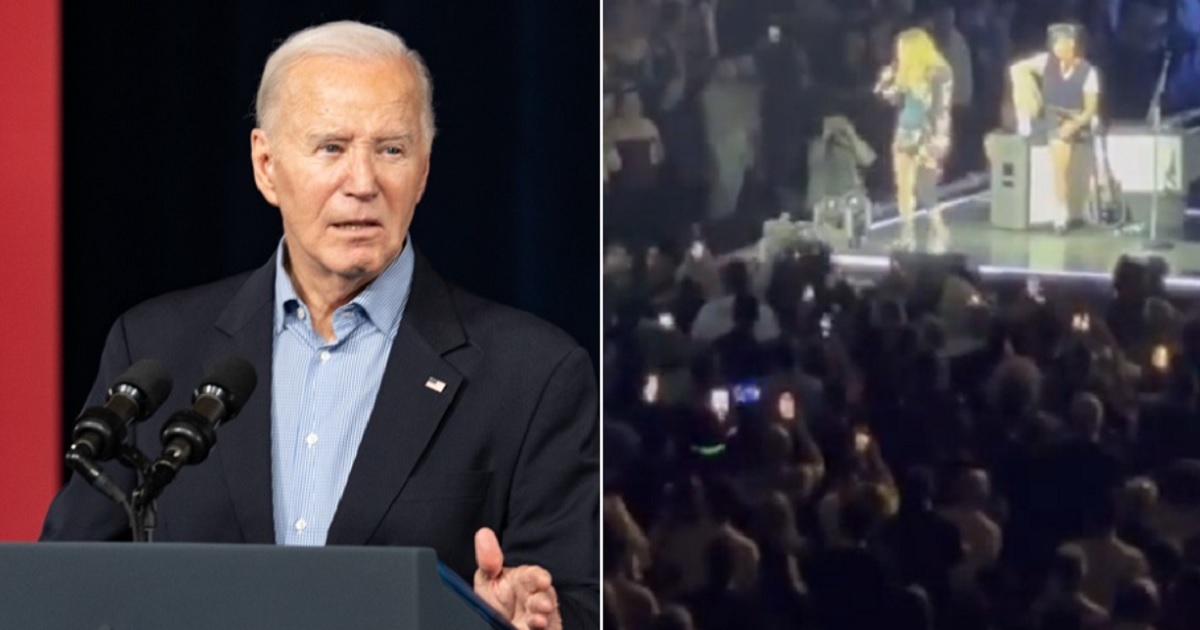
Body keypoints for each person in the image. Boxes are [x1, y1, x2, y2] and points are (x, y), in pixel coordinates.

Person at [41, 21, 598, 630]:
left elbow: (572, 600)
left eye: (391, 149)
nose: (362, 184)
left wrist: (526, 620)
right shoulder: (155, 349)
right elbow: (63, 593)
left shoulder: (532, 373)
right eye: (331, 147)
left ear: (424, 171)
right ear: (266, 165)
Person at [1009, 23, 1101, 234]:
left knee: (1063, 147)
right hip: (1052, 115)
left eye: (1062, 43)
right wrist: (1027, 99)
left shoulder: (1088, 72)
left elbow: (1089, 110)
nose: (1057, 48)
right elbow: (1017, 69)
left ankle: (1063, 209)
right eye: (1055, 43)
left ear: (1073, 45)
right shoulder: (1046, 62)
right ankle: (1025, 117)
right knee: (1018, 71)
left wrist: (1074, 124)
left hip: (1077, 116)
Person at [874, 27, 954, 252]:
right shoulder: (904, 71)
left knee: (925, 186)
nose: (898, 54)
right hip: (905, 130)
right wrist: (885, 81)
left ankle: (939, 229)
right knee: (903, 186)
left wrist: (940, 138)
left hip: (927, 133)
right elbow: (888, 98)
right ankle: (906, 235)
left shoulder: (939, 73)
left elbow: (941, 108)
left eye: (902, 50)